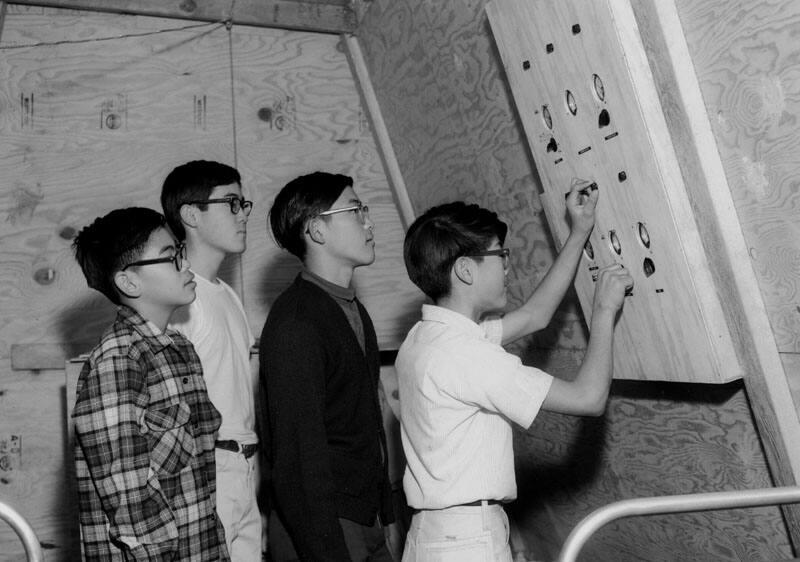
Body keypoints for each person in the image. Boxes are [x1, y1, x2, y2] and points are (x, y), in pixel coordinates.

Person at [397, 181, 633, 561]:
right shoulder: (466, 355)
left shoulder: (426, 338)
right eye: (498, 254)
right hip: (468, 543)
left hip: (434, 537)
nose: (508, 264)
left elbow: (535, 316)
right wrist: (604, 311)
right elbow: (589, 399)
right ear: (465, 270)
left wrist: (578, 233)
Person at [72, 207, 229, 561]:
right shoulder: (118, 360)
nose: (185, 265)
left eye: (181, 252)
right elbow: (131, 506)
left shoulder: (180, 349)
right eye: (170, 256)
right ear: (128, 282)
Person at [260, 171, 400, 561]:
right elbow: (299, 458)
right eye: (356, 210)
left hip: (363, 517)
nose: (369, 222)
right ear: (316, 230)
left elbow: (365, 421)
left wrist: (384, 515)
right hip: (324, 529)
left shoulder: (352, 309)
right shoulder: (296, 324)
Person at [160, 160, 262, 561]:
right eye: (230, 203)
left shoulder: (227, 295)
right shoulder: (181, 299)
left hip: (245, 466)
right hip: (208, 468)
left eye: (243, 204)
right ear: (190, 215)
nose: (242, 216)